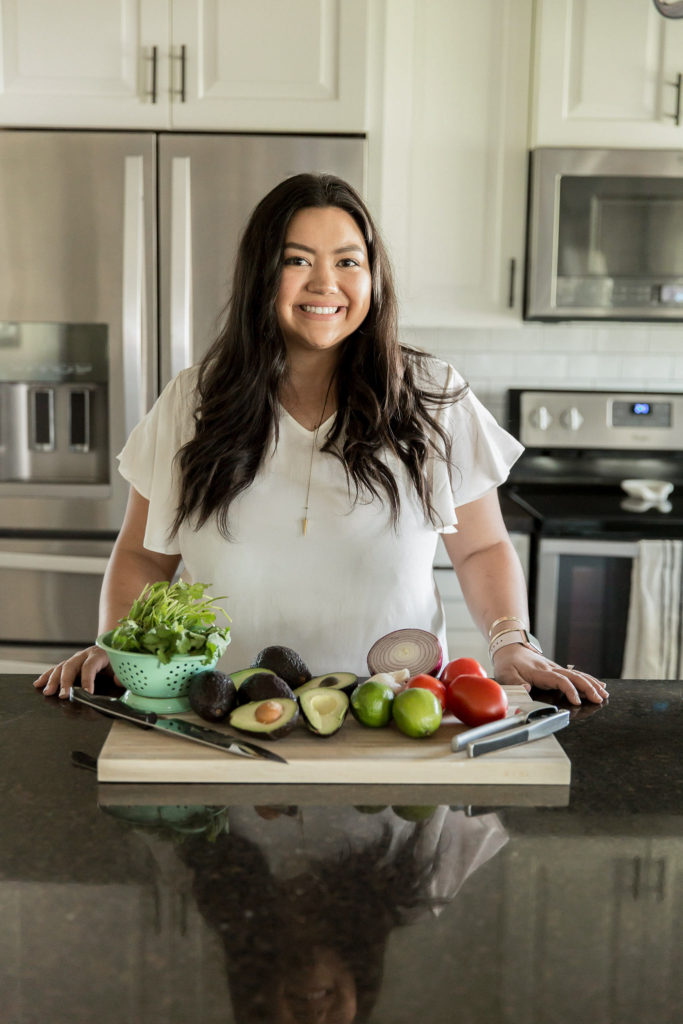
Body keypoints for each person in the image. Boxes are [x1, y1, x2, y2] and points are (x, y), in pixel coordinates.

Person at [34, 173, 607, 706]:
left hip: (396, 715)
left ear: (372, 276)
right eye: (297, 260)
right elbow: (142, 556)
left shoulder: (432, 395)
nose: (325, 283)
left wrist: (512, 641)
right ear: (263, 274)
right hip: (222, 719)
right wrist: (122, 646)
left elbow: (481, 549)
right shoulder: (193, 401)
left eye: (347, 261)